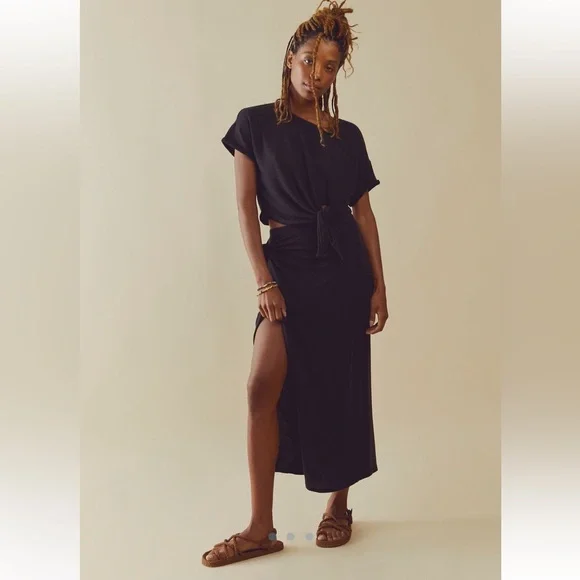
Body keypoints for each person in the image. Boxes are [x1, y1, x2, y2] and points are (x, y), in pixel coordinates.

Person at [202, 0, 388, 568]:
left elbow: (363, 215)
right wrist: (264, 280)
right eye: (309, 60)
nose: (316, 74)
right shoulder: (254, 124)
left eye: (329, 66)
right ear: (289, 58)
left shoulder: (347, 135)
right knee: (261, 385)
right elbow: (244, 208)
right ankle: (260, 528)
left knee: (341, 384)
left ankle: (338, 505)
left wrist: (379, 287)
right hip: (286, 262)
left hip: (343, 270)